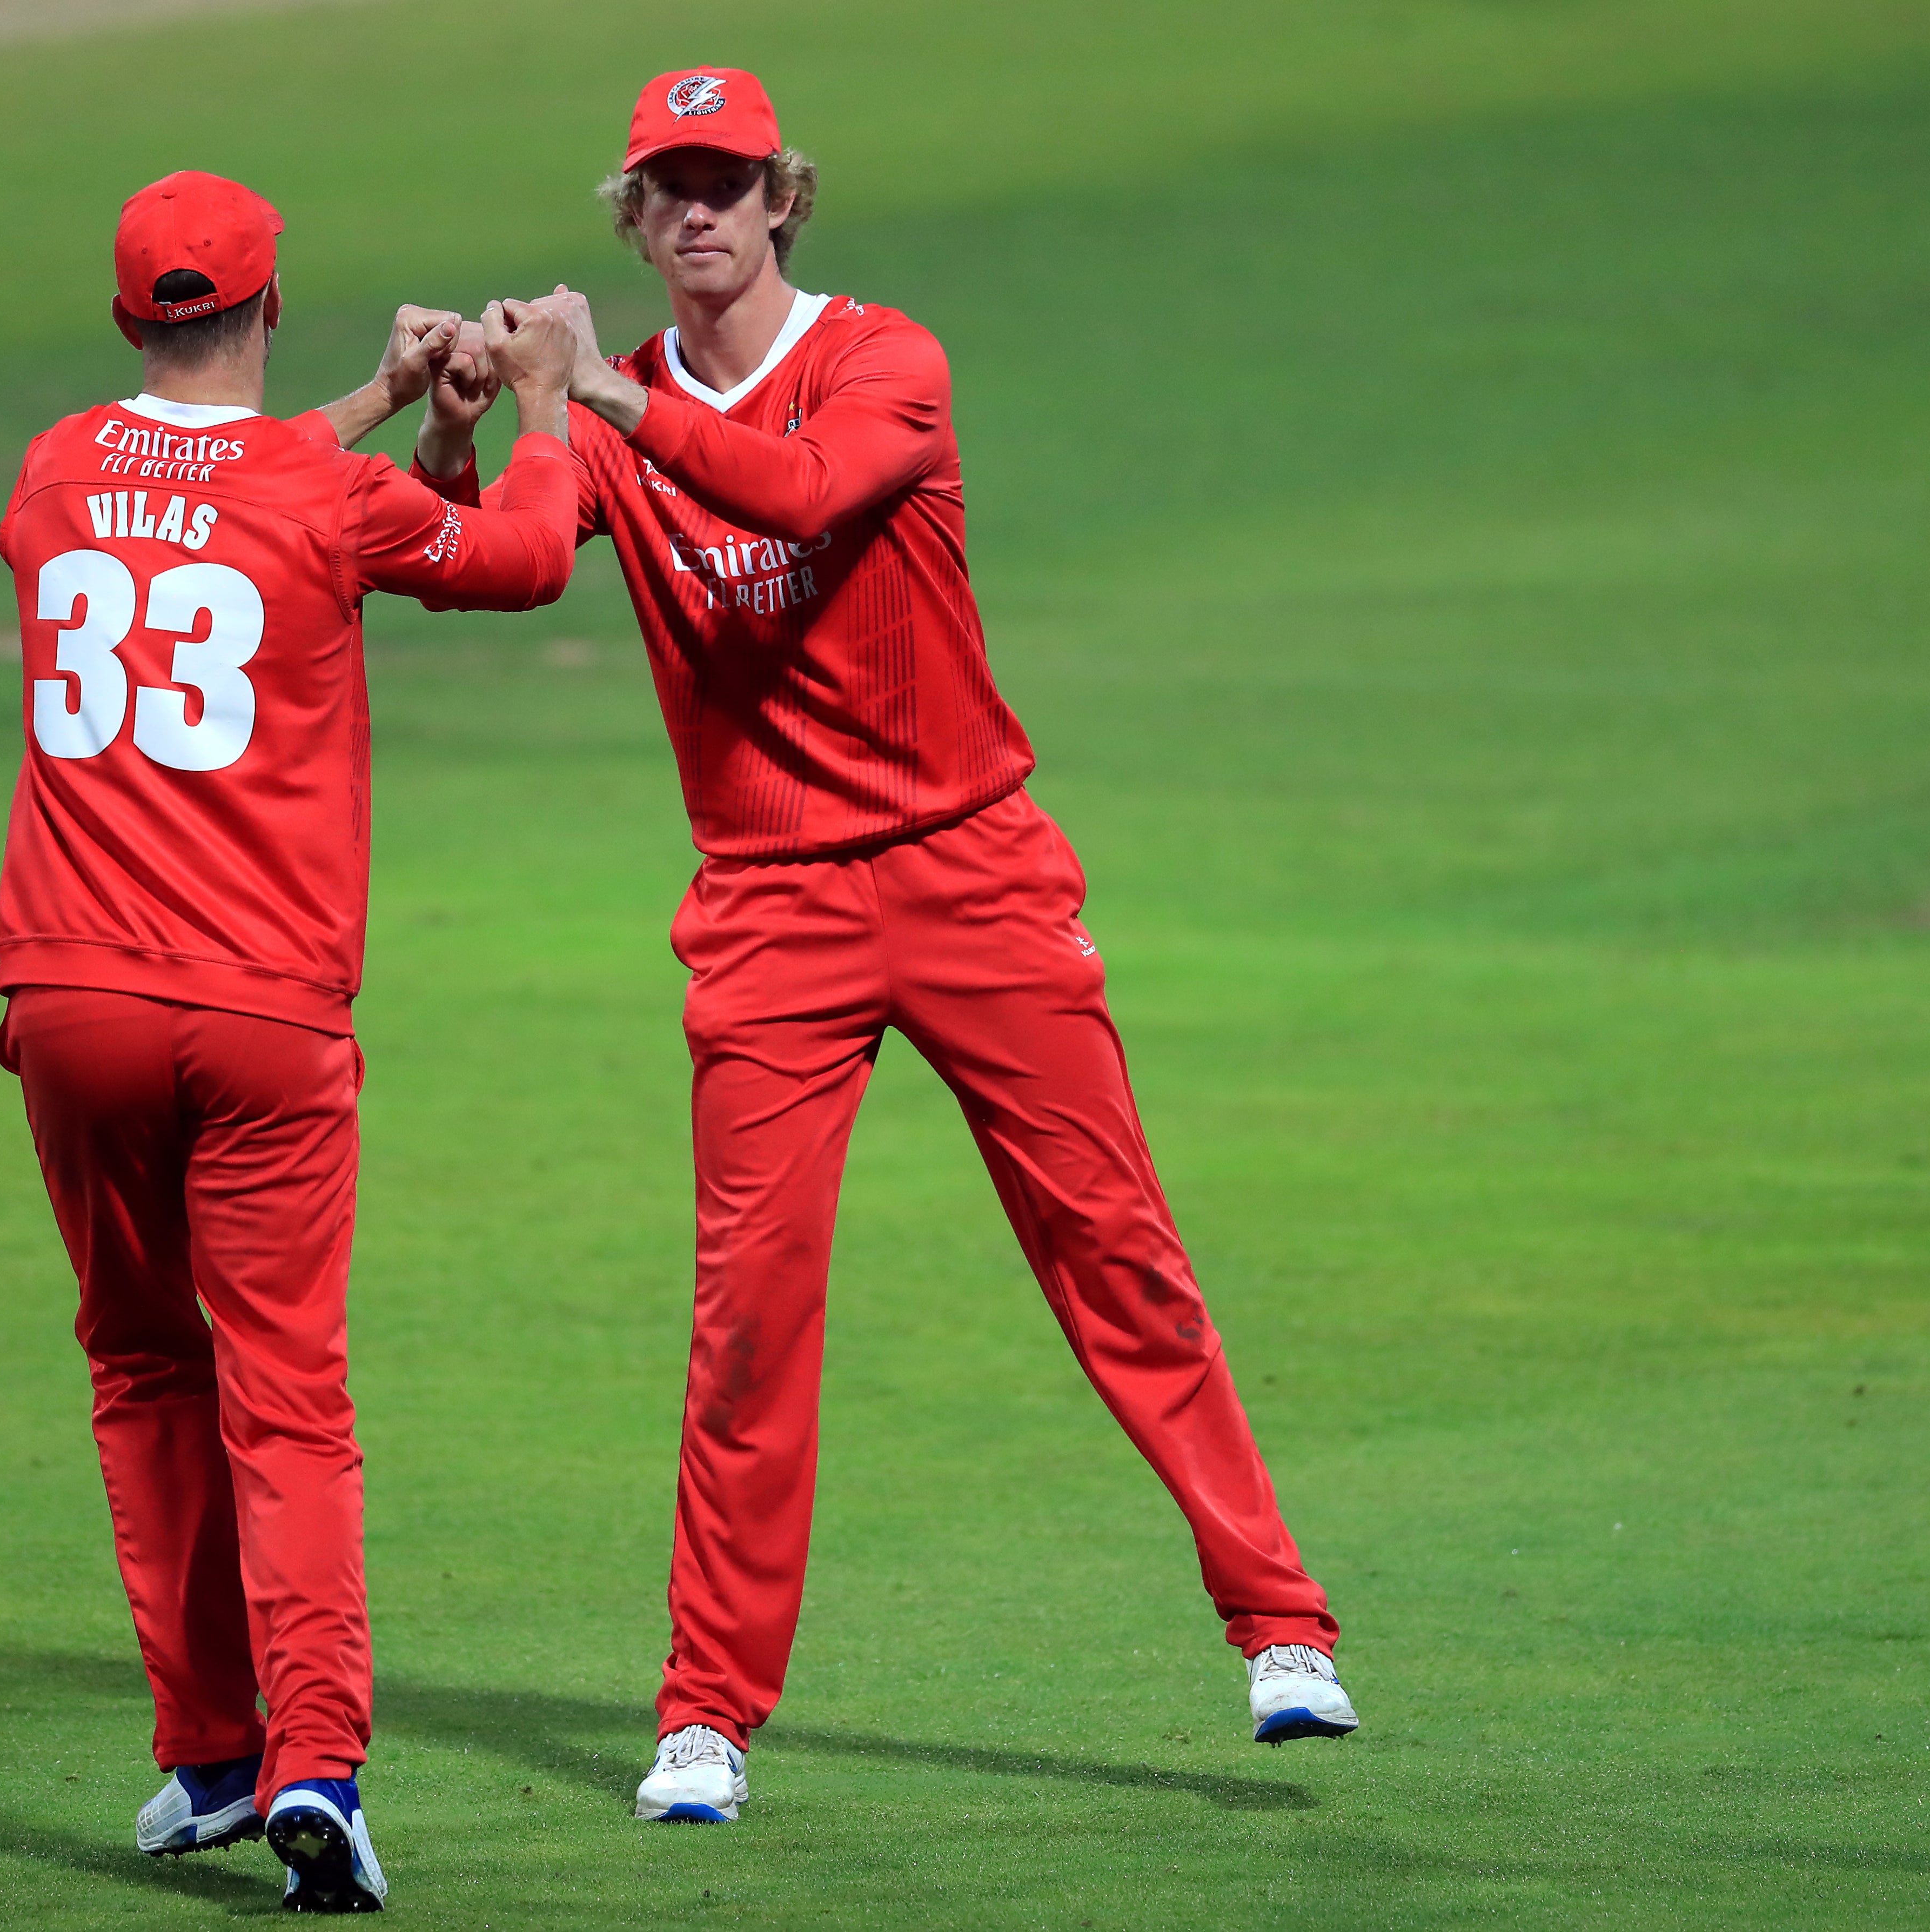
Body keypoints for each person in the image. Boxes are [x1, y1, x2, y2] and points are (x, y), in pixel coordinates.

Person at [411, 69, 1358, 1824]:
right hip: (768, 906)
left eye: (730, 182)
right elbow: (497, 561)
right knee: (748, 1320)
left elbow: (797, 491)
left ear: (785, 200)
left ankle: (1279, 1626)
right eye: (667, 187)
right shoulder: (610, 408)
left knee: (1116, 1254)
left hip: (968, 869)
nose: (699, 211)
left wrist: (596, 387)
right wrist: (470, 418)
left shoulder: (884, 360)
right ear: (632, 216)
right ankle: (706, 1716)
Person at [0, 168, 579, 1908]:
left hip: (72, 999)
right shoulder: (322, 498)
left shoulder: (46, 471)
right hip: (258, 1020)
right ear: (269, 299)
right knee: (288, 1402)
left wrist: (388, 404)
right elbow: (530, 559)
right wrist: (531, 404)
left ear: (128, 318)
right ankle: (317, 1762)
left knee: (142, 1370)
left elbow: (190, 480)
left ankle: (209, 1754)